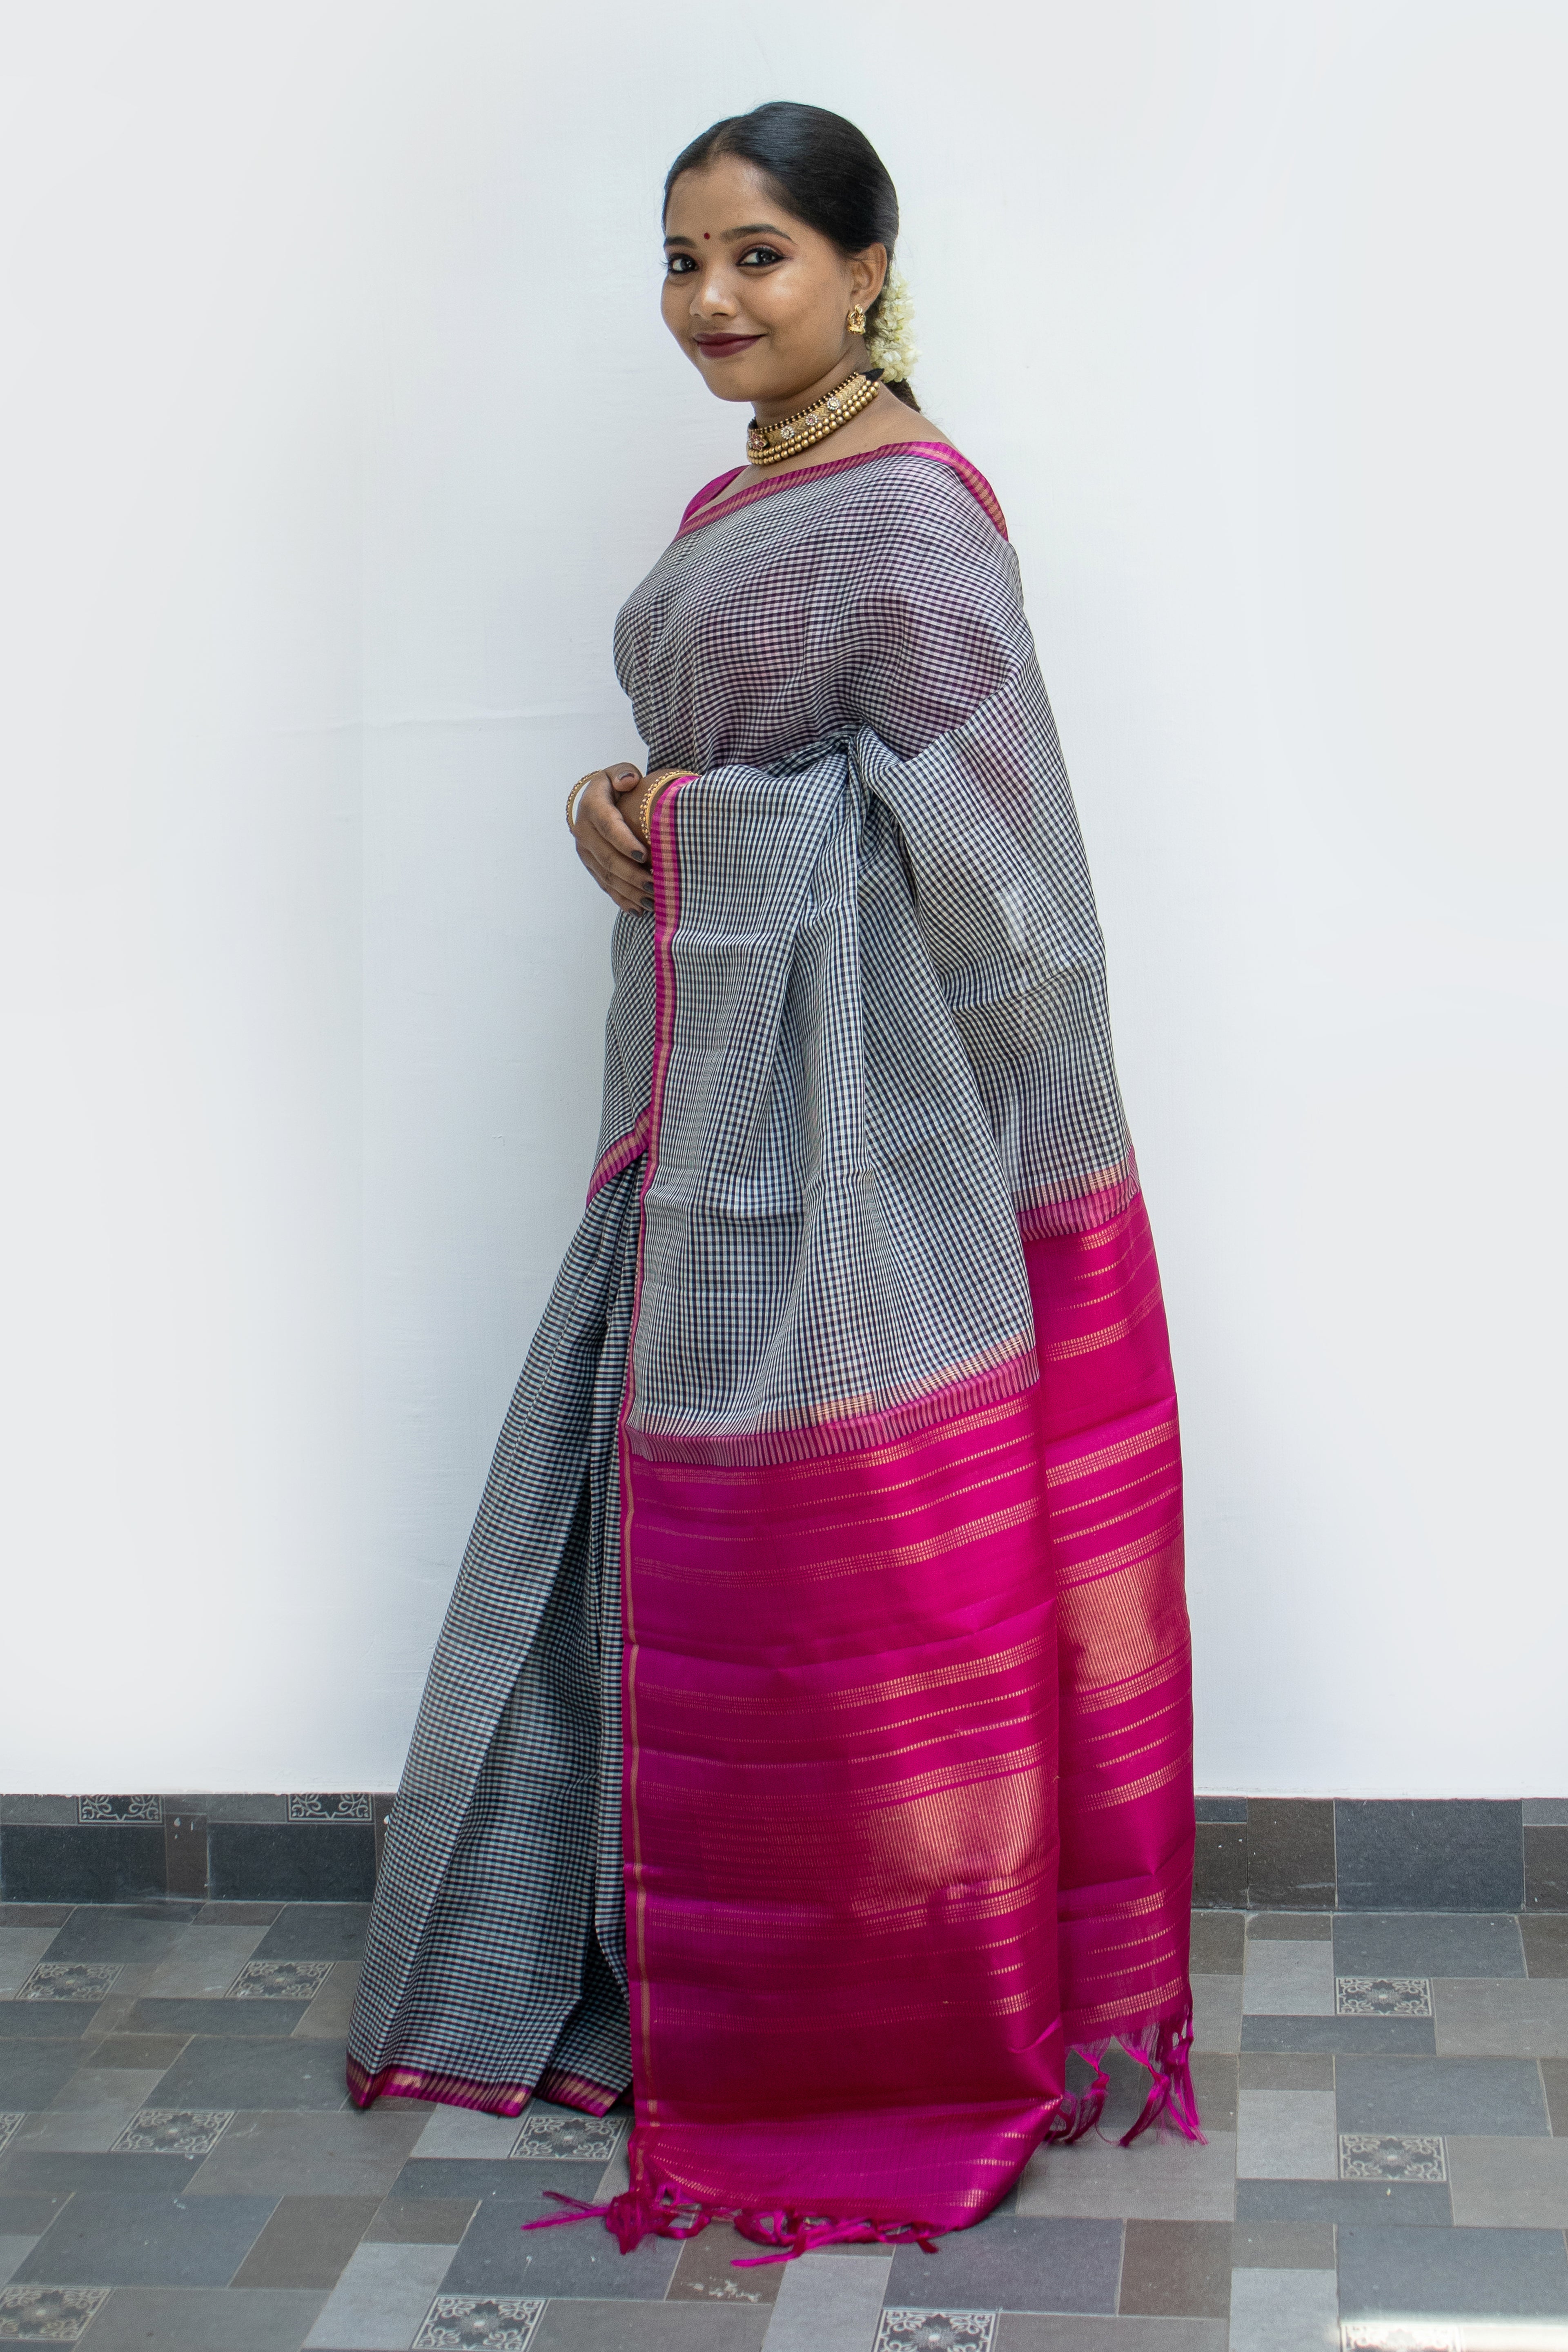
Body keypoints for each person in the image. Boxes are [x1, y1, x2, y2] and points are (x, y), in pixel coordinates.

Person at [348, 99, 1200, 2260]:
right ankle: (687, 1970)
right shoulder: (740, 499)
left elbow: (999, 852)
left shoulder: (913, 515)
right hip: (710, 1088)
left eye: (759, 256)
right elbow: (743, 769)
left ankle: (876, 2012)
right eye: (682, 260)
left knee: (865, 1565)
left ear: (864, 270)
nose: (712, 300)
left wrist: (722, 829)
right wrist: (621, 803)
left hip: (869, 1121)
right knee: (682, 1508)